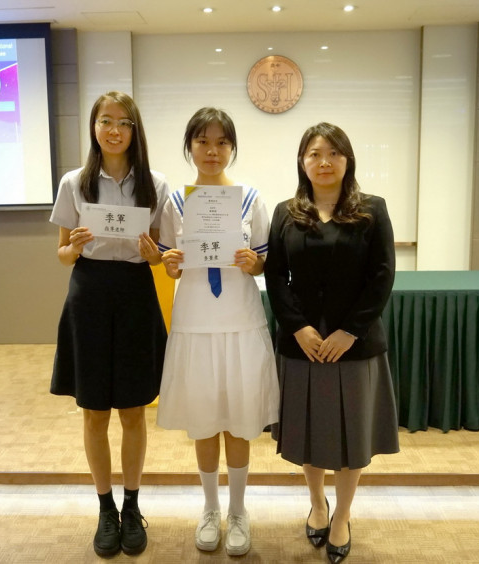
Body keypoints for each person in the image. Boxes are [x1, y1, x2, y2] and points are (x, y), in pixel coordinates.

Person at [263, 122, 399, 564]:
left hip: (353, 343)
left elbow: (382, 275)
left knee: (351, 435)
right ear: (302, 162)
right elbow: (275, 276)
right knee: (310, 429)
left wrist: (350, 331)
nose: (324, 162)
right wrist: (298, 327)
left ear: (347, 160)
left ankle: (342, 515)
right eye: (314, 154)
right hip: (302, 343)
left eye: (333, 153)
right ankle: (317, 503)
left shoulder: (372, 209)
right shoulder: (286, 212)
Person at [49, 91, 169, 558]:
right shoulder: (74, 182)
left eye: (123, 122)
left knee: (134, 409)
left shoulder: (154, 184)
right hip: (90, 292)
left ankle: (132, 506)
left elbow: (159, 256)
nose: (114, 130)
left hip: (136, 291)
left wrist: (154, 254)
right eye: (105, 121)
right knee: (95, 410)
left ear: (135, 130)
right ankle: (105, 509)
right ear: (94, 128)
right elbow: (62, 255)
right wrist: (74, 246)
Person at [156, 107, 279, 556]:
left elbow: (264, 263)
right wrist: (170, 264)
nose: (212, 151)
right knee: (204, 419)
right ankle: (210, 508)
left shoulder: (250, 199)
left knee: (239, 420)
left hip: (239, 321)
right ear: (189, 146)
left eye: (222, 142)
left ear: (232, 148)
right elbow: (170, 264)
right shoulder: (176, 202)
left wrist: (254, 262)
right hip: (195, 323)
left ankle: (239, 511)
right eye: (203, 141)